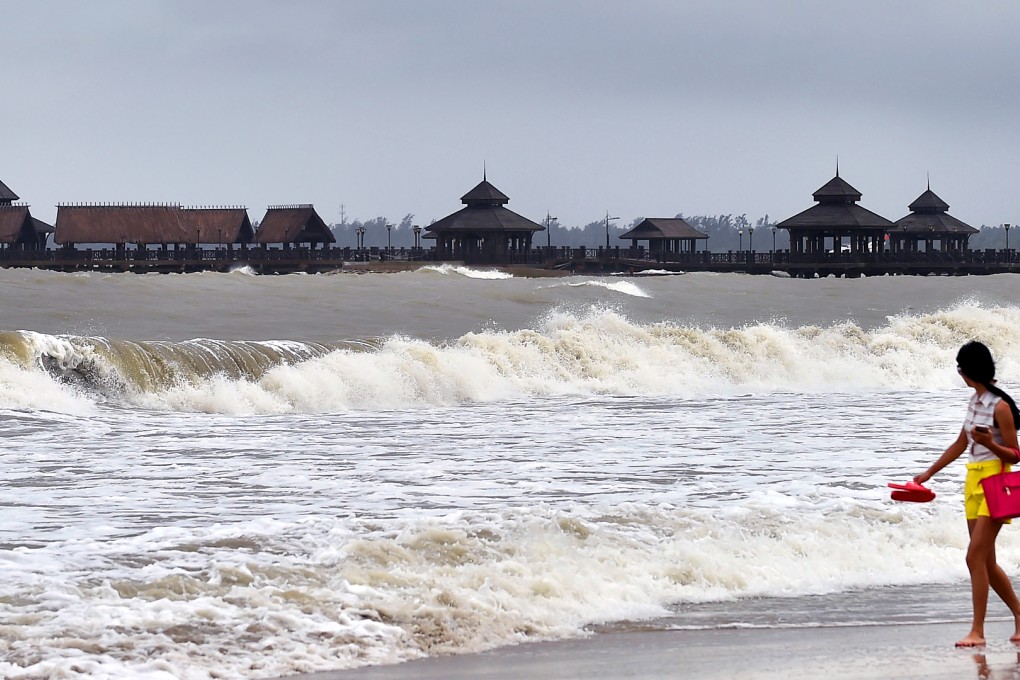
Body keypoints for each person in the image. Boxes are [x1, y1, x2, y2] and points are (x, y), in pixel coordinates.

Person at [915, 341, 1020, 647]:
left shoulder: (1000, 406)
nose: (960, 374)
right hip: (973, 482)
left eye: (960, 368)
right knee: (985, 562)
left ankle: (978, 631)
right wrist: (928, 473)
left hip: (997, 483)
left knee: (973, 556)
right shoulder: (974, 403)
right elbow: (961, 444)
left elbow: (1014, 455)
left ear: (967, 370)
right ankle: (1018, 615)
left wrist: (991, 445)